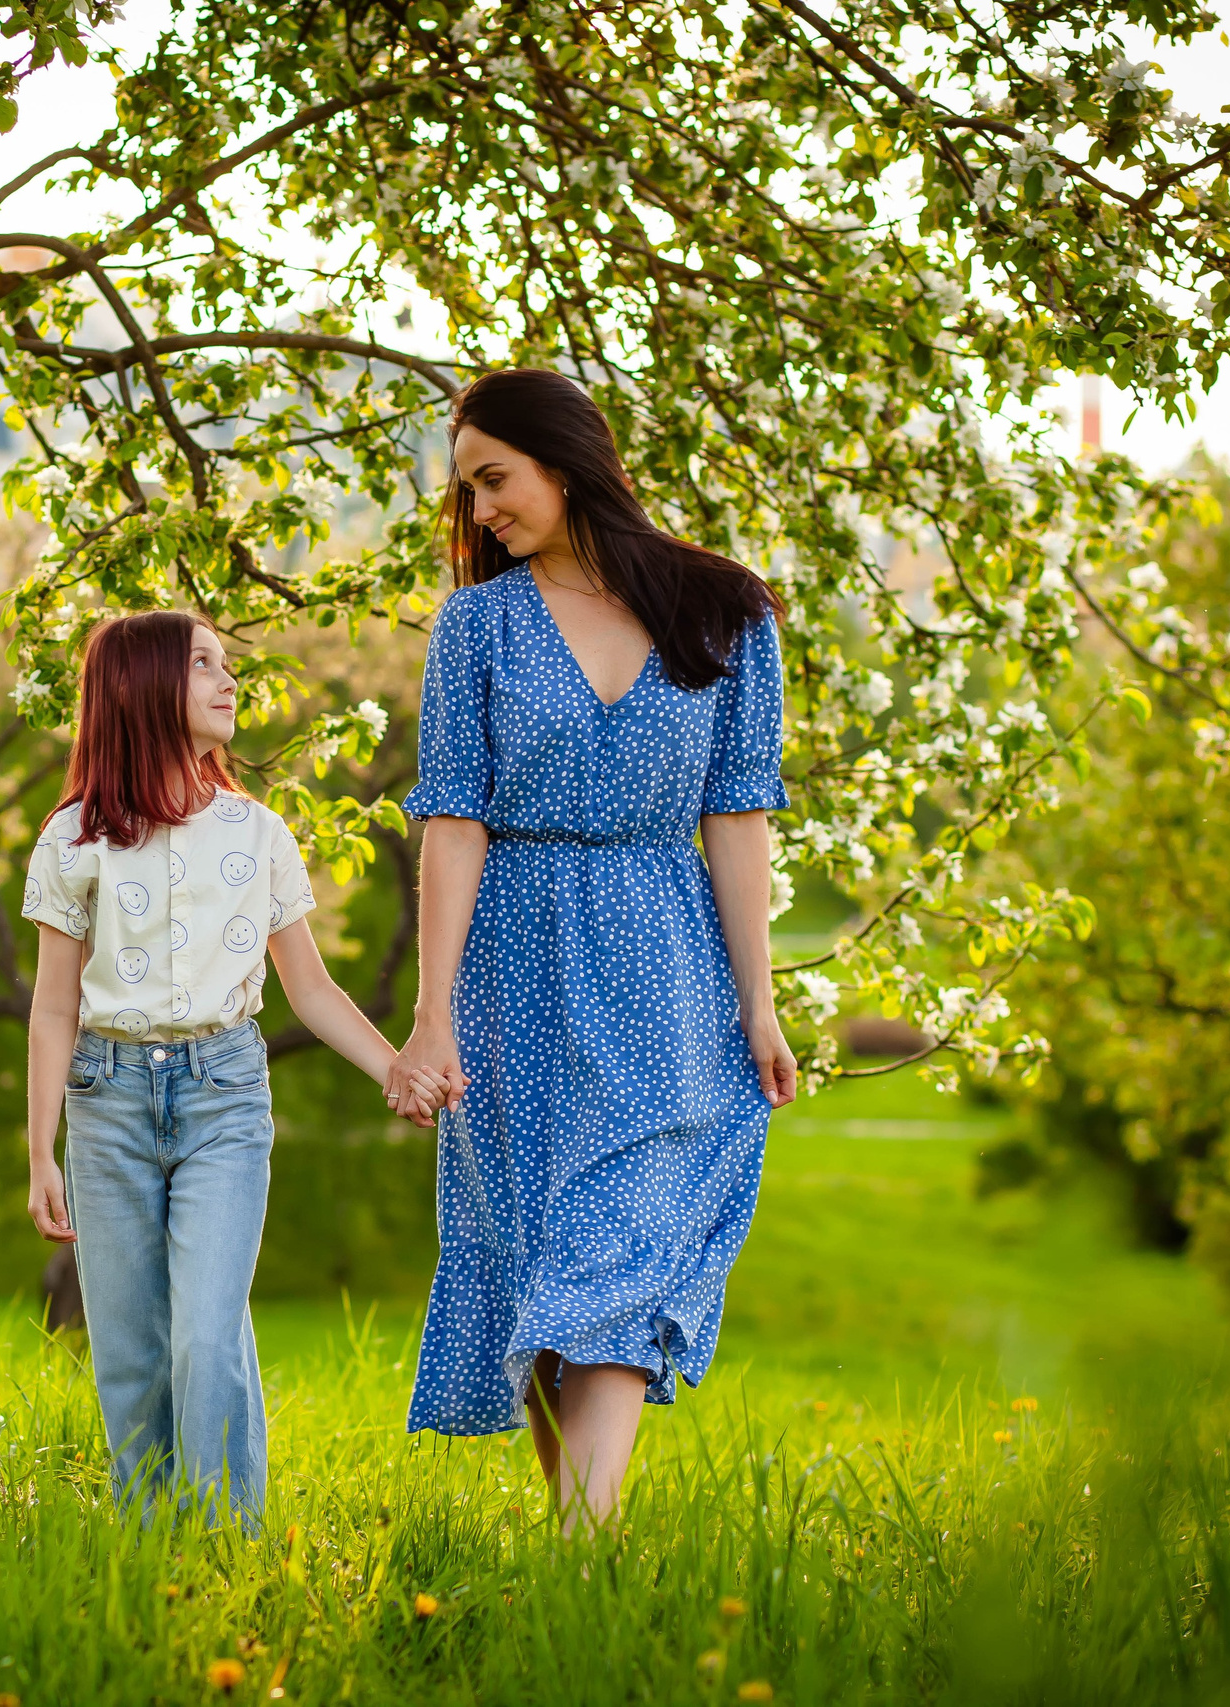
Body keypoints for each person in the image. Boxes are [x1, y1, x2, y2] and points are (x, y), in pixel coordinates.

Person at [386, 367, 798, 1533]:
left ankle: (584, 1541)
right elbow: (454, 818)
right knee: (540, 1261)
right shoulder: (475, 625)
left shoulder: (725, 611)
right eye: (466, 491)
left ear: (563, 462)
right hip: (513, 966)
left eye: (493, 479)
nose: (478, 512)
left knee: (614, 1250)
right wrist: (432, 1013)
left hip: (669, 967)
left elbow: (738, 815)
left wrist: (757, 1005)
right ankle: (581, 1575)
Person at [21, 608, 436, 1527]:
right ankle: (151, 1542)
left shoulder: (260, 836)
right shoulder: (75, 840)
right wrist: (41, 1149)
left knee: (206, 1337)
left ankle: (223, 1544)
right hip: (106, 1101)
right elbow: (53, 1006)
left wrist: (395, 1067)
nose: (228, 677)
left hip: (224, 1098)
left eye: (225, 661)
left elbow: (313, 990)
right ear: (139, 691)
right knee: (130, 1350)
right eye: (201, 663)